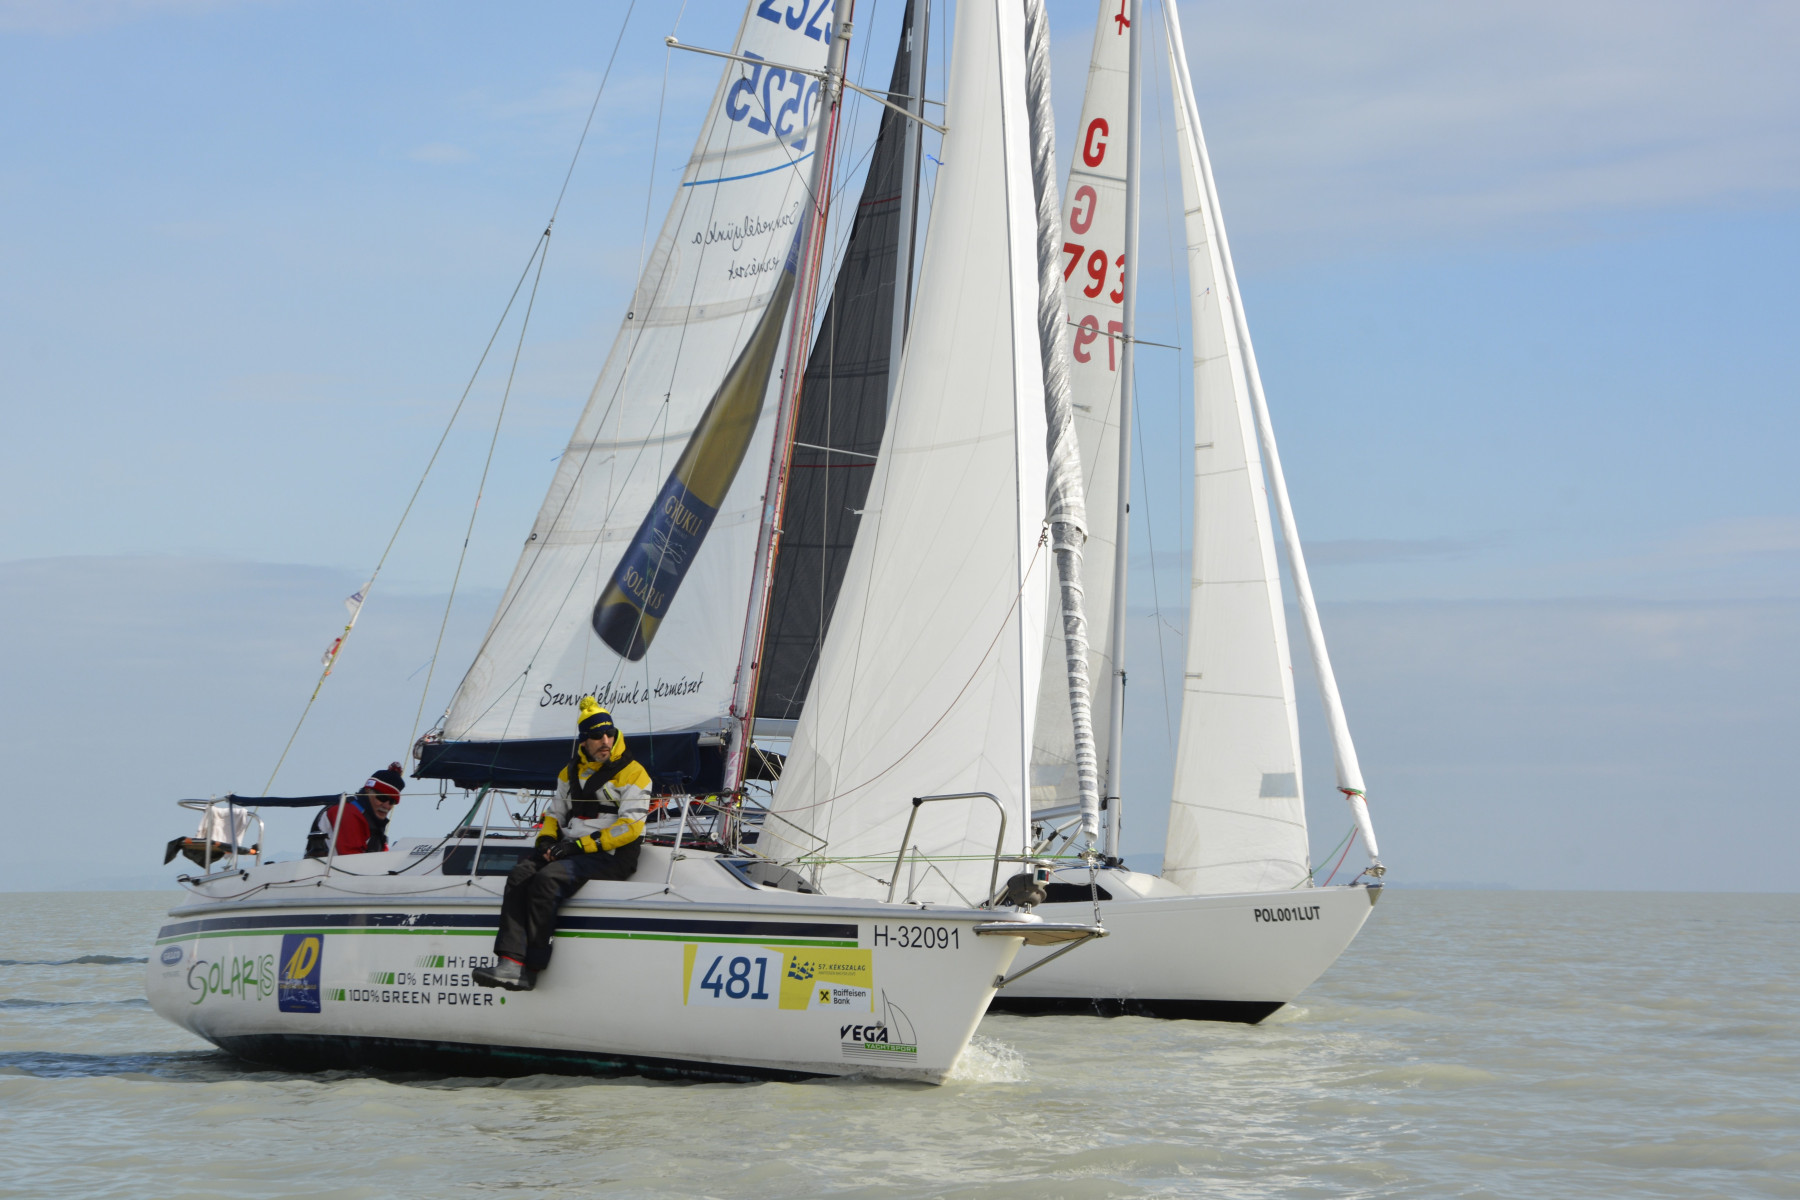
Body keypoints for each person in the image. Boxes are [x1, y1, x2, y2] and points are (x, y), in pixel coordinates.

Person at [474, 698, 651, 991]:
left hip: (612, 854)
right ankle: (510, 963)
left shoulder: (635, 773)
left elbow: (630, 827)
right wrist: (546, 840)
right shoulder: (568, 773)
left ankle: (532, 967)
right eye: (597, 736)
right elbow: (554, 814)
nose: (605, 741)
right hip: (573, 849)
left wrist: (578, 847)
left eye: (609, 733)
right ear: (584, 741)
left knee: (548, 879)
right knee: (519, 874)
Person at [304, 763, 405, 858]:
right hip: (332, 870)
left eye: (392, 801)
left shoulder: (373, 822)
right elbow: (351, 858)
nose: (386, 805)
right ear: (368, 791)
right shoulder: (347, 812)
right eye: (382, 798)